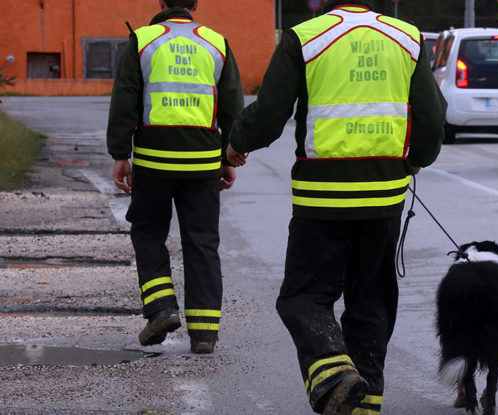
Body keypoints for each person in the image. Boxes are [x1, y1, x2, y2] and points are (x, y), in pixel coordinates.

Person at [227, 0, 446, 413]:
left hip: (322, 197)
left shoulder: (305, 37)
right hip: (384, 196)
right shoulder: (407, 37)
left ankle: (332, 373)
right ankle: (365, 405)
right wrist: (417, 157)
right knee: (372, 302)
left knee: (303, 297)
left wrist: (237, 144)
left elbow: (272, 112)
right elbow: (433, 119)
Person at [106, 0, 243, 354]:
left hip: (153, 161)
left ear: (161, 3)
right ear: (195, 4)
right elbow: (231, 105)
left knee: (149, 231)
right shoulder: (216, 42)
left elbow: (125, 99)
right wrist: (227, 156)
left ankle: (161, 309)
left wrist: (121, 154)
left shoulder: (143, 40)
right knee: (201, 241)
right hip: (201, 162)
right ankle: (204, 334)